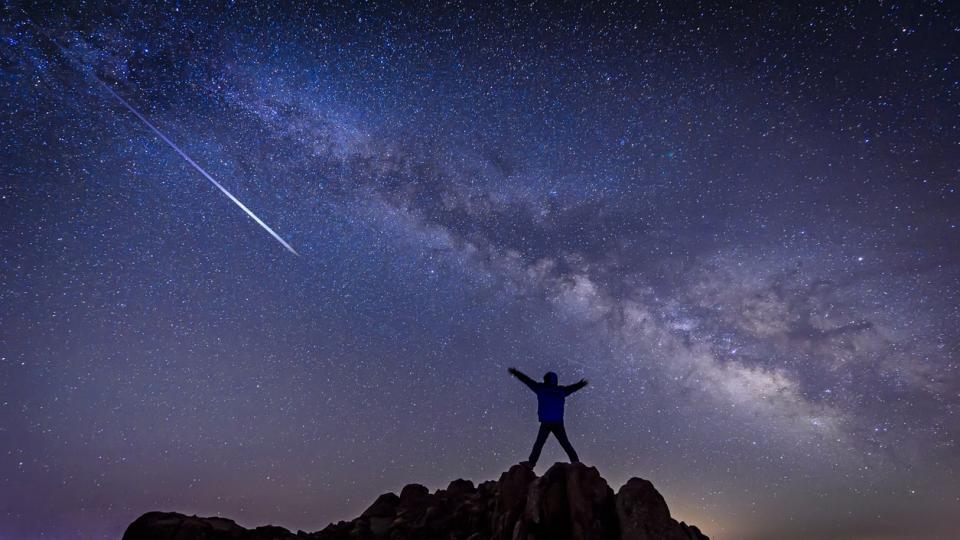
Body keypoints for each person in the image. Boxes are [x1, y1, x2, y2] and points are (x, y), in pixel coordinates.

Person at [507, 367, 588, 467]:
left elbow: (527, 380)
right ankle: (575, 462)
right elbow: (573, 388)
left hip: (546, 422)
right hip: (557, 422)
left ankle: (531, 464)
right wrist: (581, 384)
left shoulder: (540, 388)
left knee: (539, 443)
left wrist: (516, 373)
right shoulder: (561, 390)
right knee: (564, 443)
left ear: (546, 379)